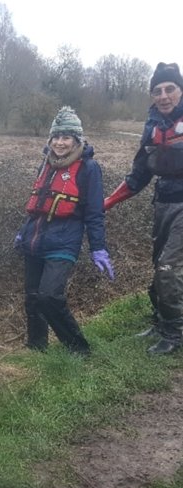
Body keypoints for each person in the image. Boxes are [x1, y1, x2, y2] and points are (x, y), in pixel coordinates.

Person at [14, 106, 114, 356]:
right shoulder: (46, 164)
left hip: (63, 245)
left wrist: (98, 248)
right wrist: (22, 232)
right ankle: (37, 349)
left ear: (77, 140)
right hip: (34, 242)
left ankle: (78, 349)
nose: (60, 143)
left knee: (49, 297)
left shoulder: (89, 169)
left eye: (66, 137)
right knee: (33, 298)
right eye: (56, 137)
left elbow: (94, 213)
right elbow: (37, 205)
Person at [103, 62, 183, 355]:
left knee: (168, 268)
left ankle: (175, 334)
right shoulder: (152, 129)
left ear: (180, 91)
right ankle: (161, 322)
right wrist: (105, 204)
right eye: (157, 91)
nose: (163, 96)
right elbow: (139, 176)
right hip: (163, 203)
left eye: (170, 89)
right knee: (158, 264)